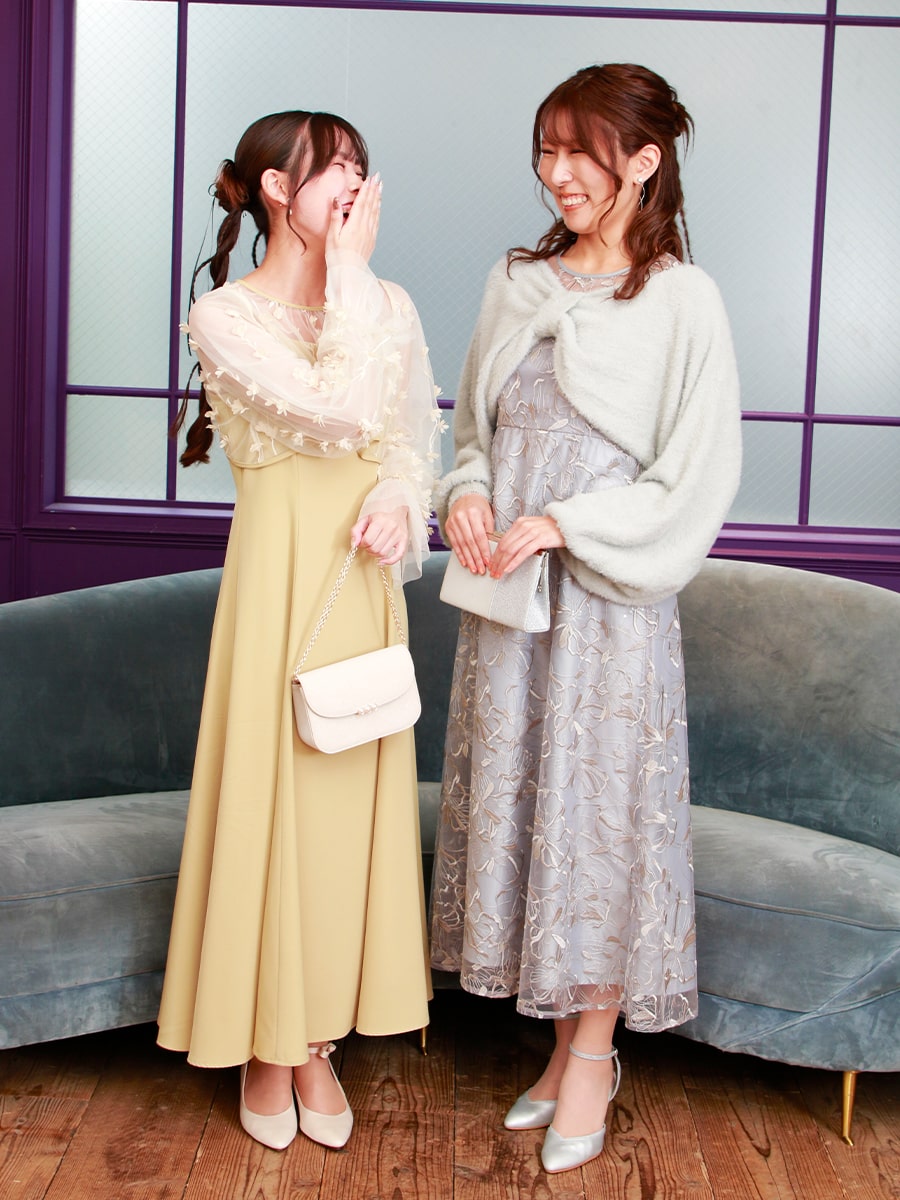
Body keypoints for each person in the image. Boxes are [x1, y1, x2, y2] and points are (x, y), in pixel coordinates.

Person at [430, 64, 741, 1175]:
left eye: (581, 152)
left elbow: (695, 480)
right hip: (508, 613)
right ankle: (565, 1051)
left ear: (644, 162)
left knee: (600, 827)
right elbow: (471, 437)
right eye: (546, 150)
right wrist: (468, 494)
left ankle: (596, 1057)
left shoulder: (684, 303)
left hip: (609, 617)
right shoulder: (516, 282)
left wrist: (563, 521)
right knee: (533, 814)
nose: (556, 173)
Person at [157, 111, 443, 1153]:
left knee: (337, 817)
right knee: (271, 803)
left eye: (364, 169)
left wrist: (402, 503)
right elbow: (335, 411)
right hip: (277, 588)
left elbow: (407, 439)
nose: (356, 187)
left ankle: (316, 1036)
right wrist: (352, 273)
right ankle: (266, 1041)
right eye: (335, 171)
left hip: (356, 586)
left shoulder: (389, 304)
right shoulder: (224, 317)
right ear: (278, 189)